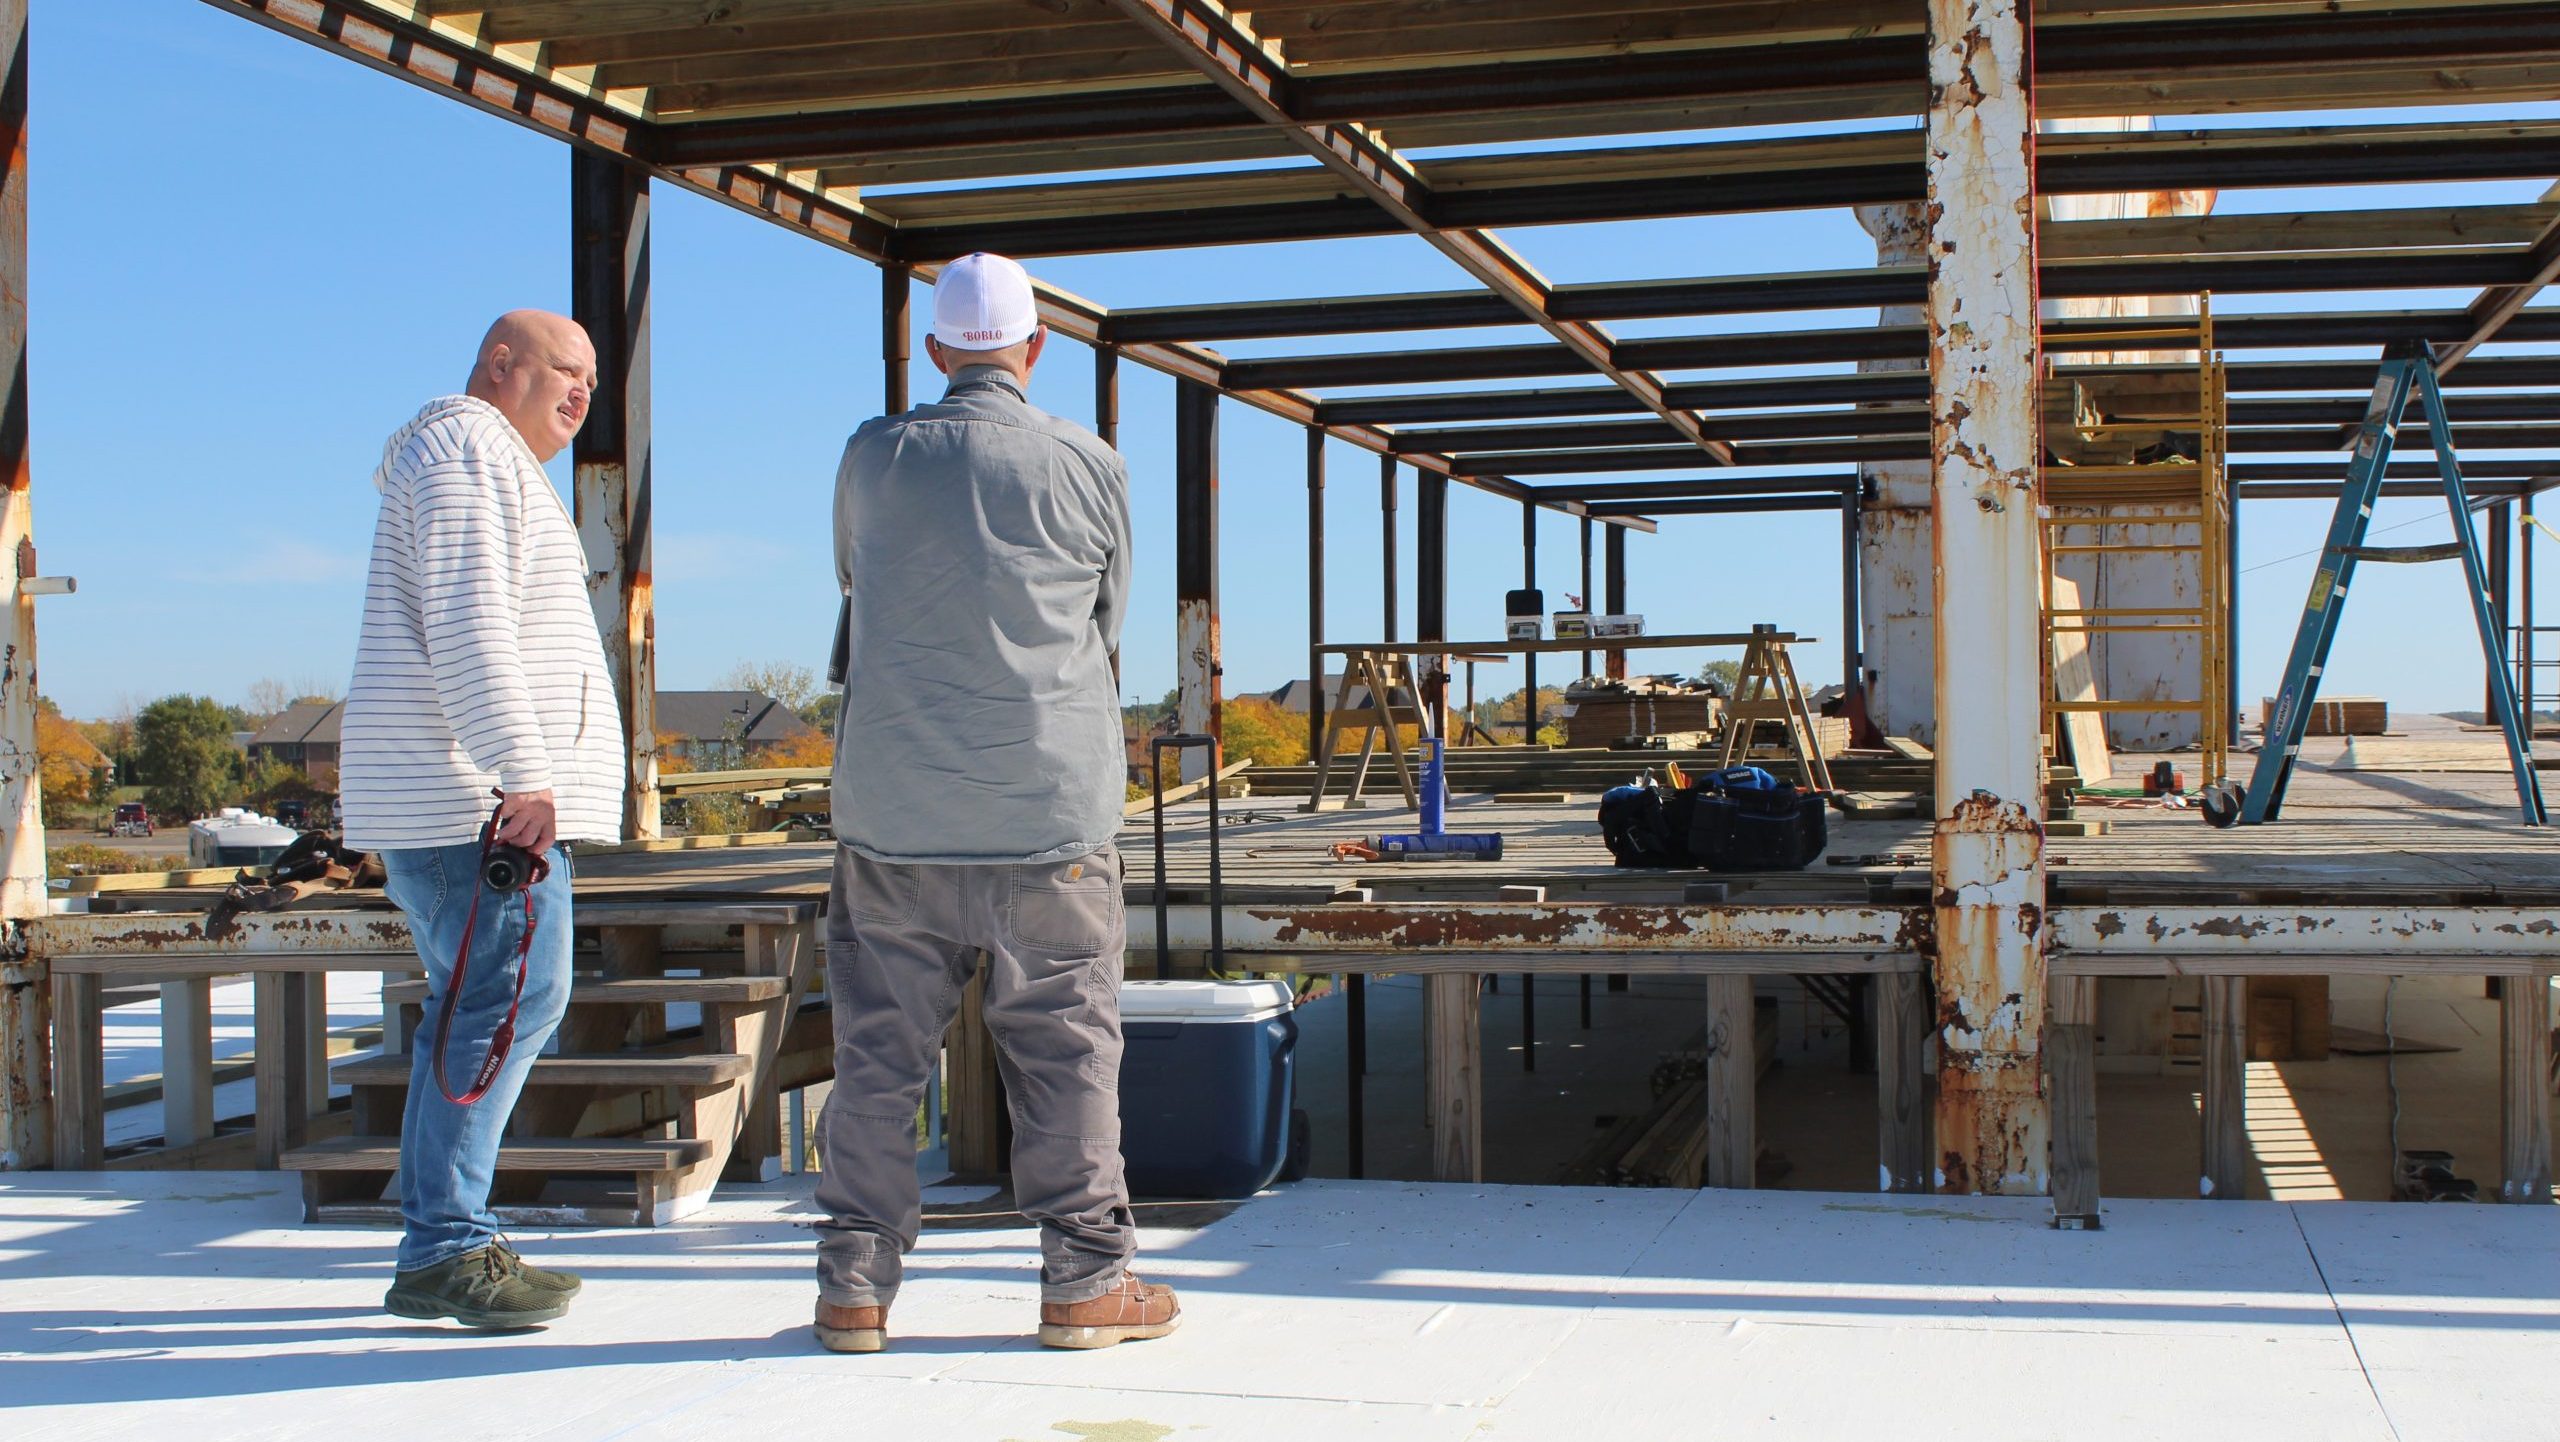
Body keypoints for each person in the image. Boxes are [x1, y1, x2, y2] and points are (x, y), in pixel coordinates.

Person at [814, 252, 1172, 1354]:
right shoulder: (1088, 460)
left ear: (935, 352)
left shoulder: (874, 456)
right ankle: (1084, 1282)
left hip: (893, 815)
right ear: (1035, 346)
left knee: (877, 1055)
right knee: (1067, 1051)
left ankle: (854, 1289)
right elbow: (1107, 621)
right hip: (1048, 814)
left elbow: (852, 583)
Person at [339, 310, 623, 1329]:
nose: (583, 392)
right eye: (564, 368)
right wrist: (525, 774)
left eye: (594, 377)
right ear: (500, 366)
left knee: (487, 1010)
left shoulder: (479, 458)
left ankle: (448, 1235)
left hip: (473, 804)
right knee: (502, 1006)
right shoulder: (468, 448)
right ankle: (446, 1244)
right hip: (480, 810)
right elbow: (468, 620)